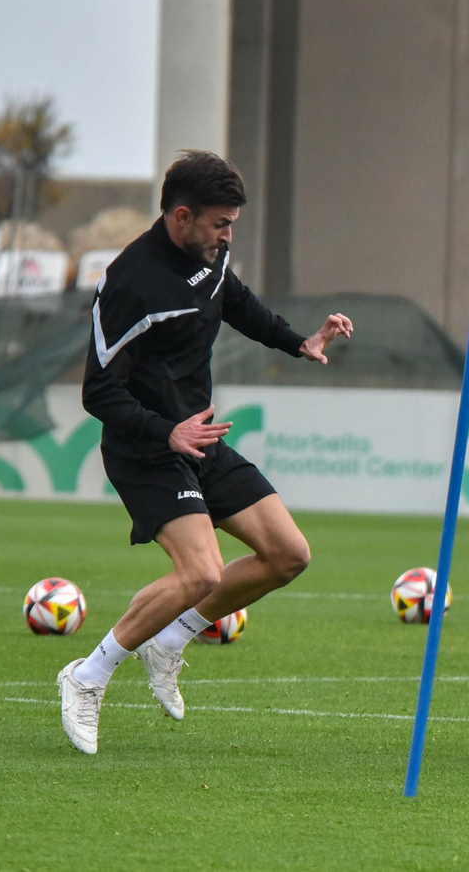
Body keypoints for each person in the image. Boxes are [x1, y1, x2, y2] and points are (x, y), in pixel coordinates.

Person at [57, 151, 354, 755]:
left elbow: (238, 303)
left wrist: (300, 341)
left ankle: (172, 639)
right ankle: (86, 677)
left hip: (199, 439)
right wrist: (165, 433)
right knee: (201, 572)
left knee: (288, 554)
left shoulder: (209, 256)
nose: (227, 235)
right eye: (220, 224)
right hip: (148, 448)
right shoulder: (130, 283)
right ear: (182, 216)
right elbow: (98, 392)